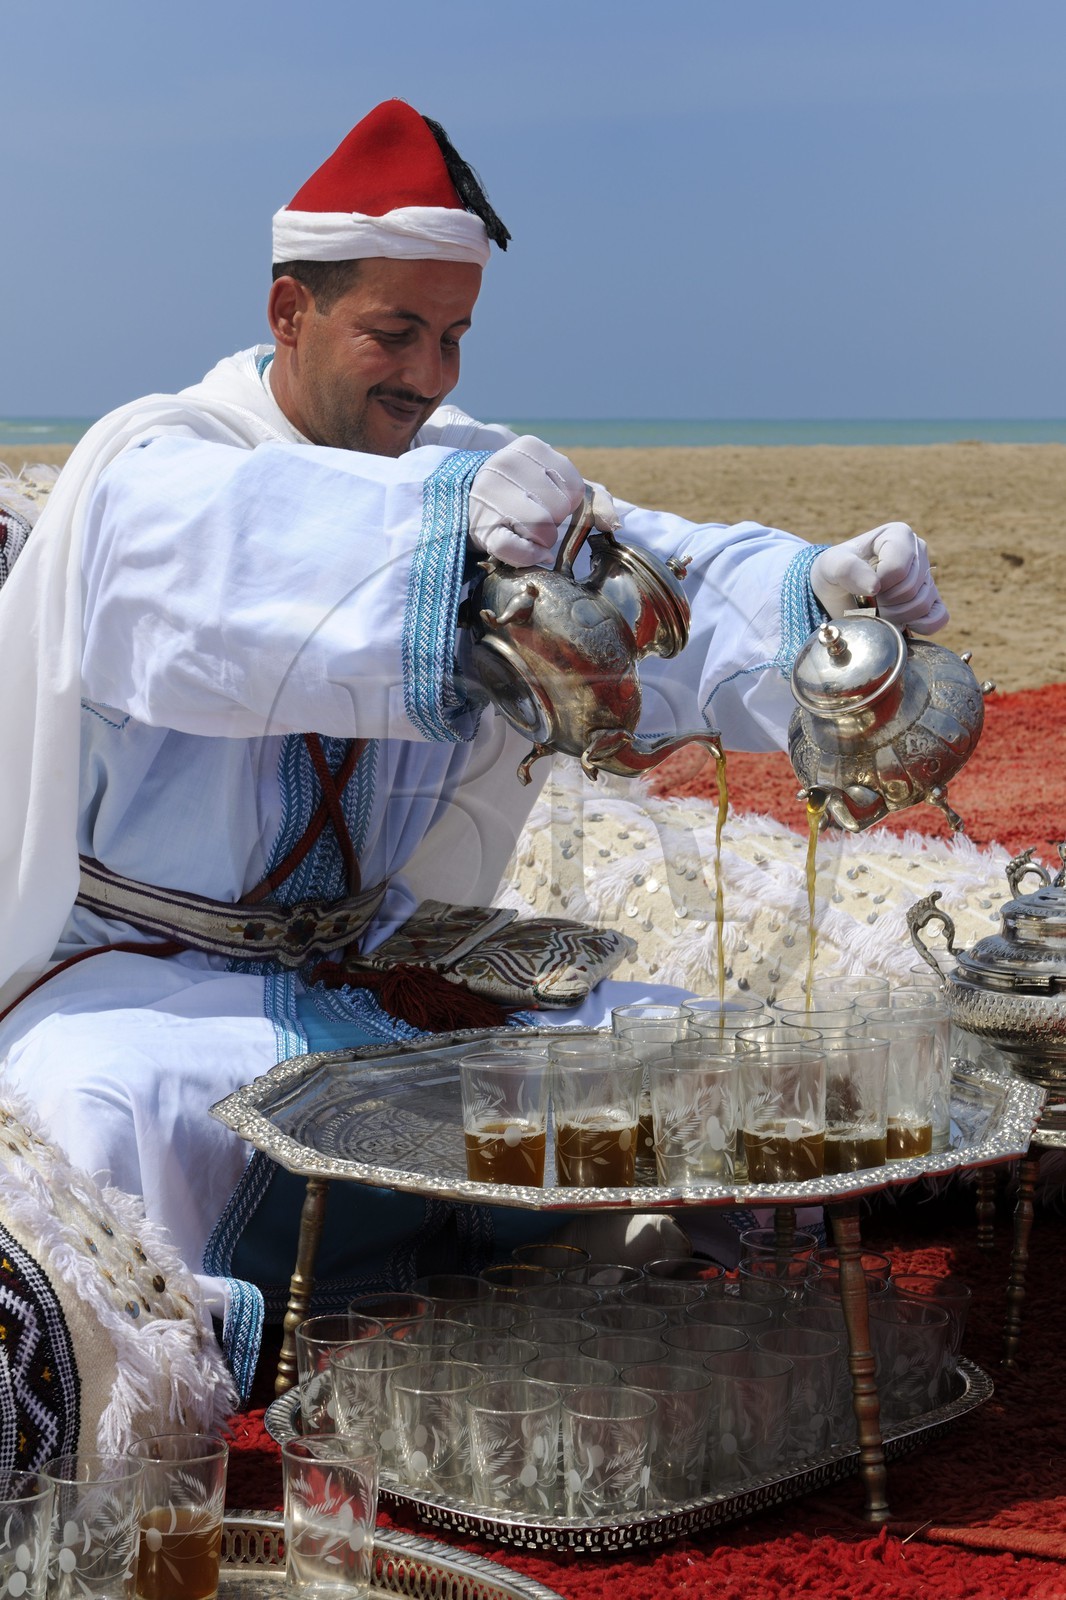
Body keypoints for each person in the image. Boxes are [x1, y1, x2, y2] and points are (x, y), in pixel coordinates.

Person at [0, 101, 947, 1389]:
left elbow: (654, 584)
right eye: (394, 333)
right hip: (147, 986)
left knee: (699, 1045)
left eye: (453, 338)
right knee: (99, 1112)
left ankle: (578, 1265)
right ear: (289, 313)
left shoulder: (462, 472)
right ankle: (229, 1364)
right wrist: (450, 537)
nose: (433, 375)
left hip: (388, 967)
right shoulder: (156, 474)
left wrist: (814, 609)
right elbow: (258, 549)